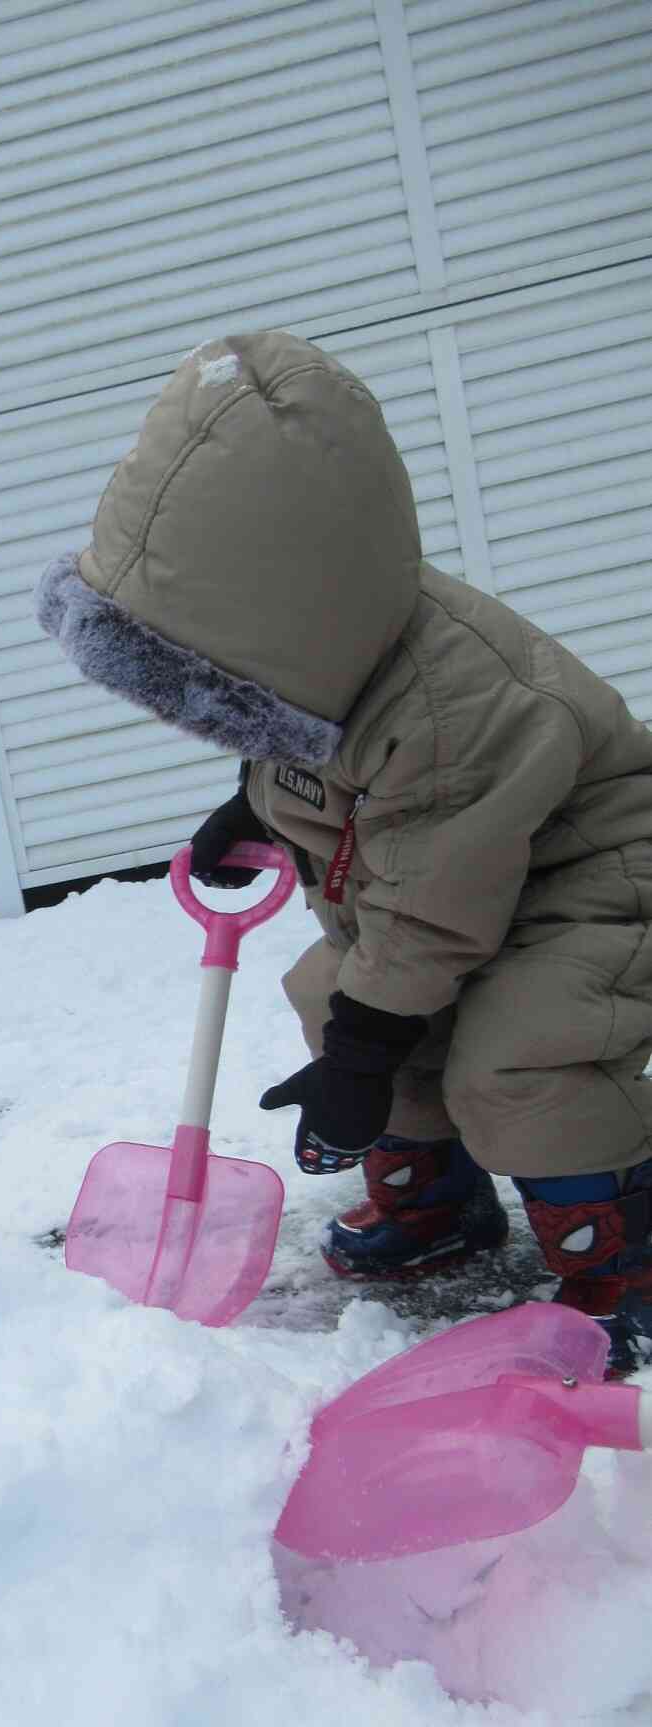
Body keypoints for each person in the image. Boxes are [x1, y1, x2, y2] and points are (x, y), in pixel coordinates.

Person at [36, 330, 652, 1371]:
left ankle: (624, 1250)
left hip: (592, 886)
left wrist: (361, 1064)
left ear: (287, 618)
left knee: (518, 1051)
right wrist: (246, 811)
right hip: (457, 887)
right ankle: (440, 1205)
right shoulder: (325, 665)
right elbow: (303, 755)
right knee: (340, 992)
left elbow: (428, 906)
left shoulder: (456, 705)